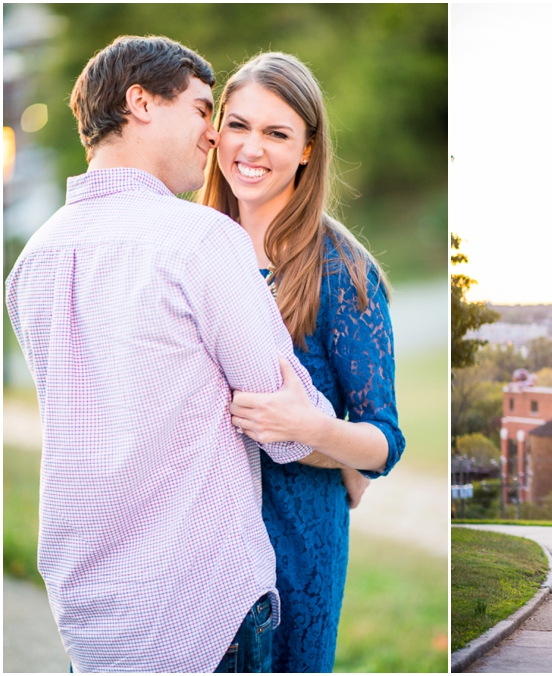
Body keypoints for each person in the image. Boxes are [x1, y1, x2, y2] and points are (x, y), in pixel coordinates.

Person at [5, 36, 338, 673]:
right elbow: (287, 420)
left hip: (88, 616)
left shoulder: (31, 264)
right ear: (141, 103)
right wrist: (353, 453)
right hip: (203, 609)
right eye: (200, 108)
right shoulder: (200, 240)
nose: (213, 135)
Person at [199, 52, 405, 672]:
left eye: (276, 132)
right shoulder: (187, 244)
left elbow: (383, 441)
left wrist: (316, 433)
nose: (250, 148)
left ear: (308, 148)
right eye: (238, 125)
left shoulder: (342, 270)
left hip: (296, 539)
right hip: (192, 536)